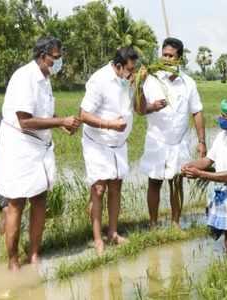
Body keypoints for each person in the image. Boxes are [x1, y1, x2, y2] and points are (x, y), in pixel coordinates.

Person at [0, 36, 81, 270]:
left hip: (39, 148)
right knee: (16, 203)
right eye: (55, 58)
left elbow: (42, 115)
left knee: (40, 199)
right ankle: (13, 261)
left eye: (59, 57)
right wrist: (60, 120)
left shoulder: (45, 78)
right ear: (42, 57)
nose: (59, 61)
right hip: (20, 148)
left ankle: (34, 254)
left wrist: (60, 125)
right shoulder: (25, 78)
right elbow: (24, 121)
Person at [138, 37, 206, 228]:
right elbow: (139, 109)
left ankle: (175, 223)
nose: (167, 59)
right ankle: (153, 224)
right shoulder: (151, 79)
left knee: (177, 182)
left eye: (171, 56)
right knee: (154, 182)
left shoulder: (188, 83)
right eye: (164, 54)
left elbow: (197, 111)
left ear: (180, 59)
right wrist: (152, 106)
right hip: (156, 140)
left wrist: (202, 141)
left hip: (179, 141)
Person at [80, 47, 138, 255]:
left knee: (116, 186)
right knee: (98, 190)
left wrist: (137, 85)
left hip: (119, 143)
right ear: (118, 66)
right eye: (129, 70)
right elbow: (84, 115)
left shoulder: (129, 81)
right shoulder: (99, 80)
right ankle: (97, 239)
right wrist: (110, 125)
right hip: (98, 142)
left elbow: (137, 107)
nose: (132, 73)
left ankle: (112, 233)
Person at [181, 95, 227, 258]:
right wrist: (190, 165)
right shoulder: (223, 136)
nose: (220, 119)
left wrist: (200, 174)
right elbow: (208, 160)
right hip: (223, 191)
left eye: (224, 117)